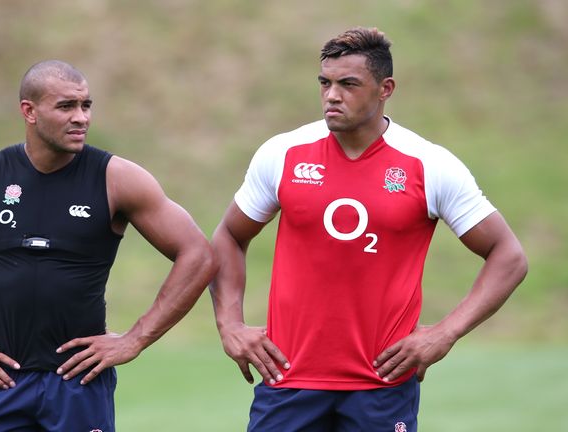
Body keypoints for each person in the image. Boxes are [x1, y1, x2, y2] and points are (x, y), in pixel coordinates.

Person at [209, 27, 528, 431]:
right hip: (288, 380)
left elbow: (508, 256)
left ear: (385, 88)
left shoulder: (429, 165)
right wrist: (230, 324)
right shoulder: (283, 154)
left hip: (382, 387)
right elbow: (228, 236)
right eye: (325, 83)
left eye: (348, 84)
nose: (331, 96)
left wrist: (444, 334)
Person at [0, 60, 216, 431]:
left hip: (77, 384)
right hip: (2, 381)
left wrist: (135, 339)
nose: (81, 117)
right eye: (66, 106)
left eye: (86, 105)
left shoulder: (117, 179)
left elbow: (198, 254)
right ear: (29, 112)